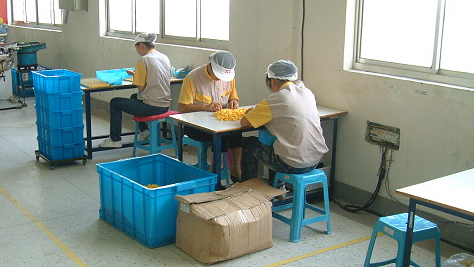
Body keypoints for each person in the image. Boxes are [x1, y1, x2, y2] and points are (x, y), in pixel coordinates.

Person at [239, 60, 328, 181]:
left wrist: (250, 111)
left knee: (249, 143)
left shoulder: (275, 99)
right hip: (315, 160)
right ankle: (276, 186)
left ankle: (248, 186)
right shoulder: (307, 93)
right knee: (275, 143)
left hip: (292, 165)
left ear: (273, 81)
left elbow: (244, 123)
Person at [177, 51, 242, 181]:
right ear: (210, 66)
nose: (220, 79)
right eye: (218, 76)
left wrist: (233, 101)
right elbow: (182, 107)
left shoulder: (229, 78)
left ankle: (236, 168)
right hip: (196, 126)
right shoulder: (193, 78)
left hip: (220, 122)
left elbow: (233, 97)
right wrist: (205, 107)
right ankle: (214, 170)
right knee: (220, 135)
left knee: (236, 132)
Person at [100, 33, 172, 148]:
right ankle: (144, 130)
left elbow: (141, 87)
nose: (137, 51)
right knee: (134, 97)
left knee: (115, 102)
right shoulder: (163, 57)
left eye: (137, 48)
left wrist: (136, 76)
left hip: (152, 106)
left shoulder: (143, 60)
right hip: (165, 104)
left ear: (142, 45)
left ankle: (115, 140)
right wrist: (136, 74)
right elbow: (155, 76)